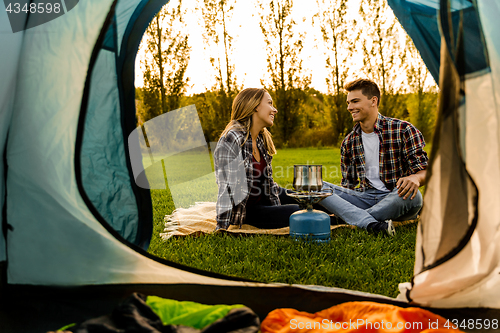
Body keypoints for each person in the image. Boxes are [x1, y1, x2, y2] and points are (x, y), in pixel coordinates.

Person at [319, 78, 428, 235]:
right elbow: (348, 186)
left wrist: (415, 179)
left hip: (397, 196)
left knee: (415, 195)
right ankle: (370, 223)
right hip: (365, 197)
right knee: (314, 185)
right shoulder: (349, 141)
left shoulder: (403, 130)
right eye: (348, 103)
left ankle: (351, 220)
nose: (350, 107)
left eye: (355, 101)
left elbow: (425, 171)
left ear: (373, 101)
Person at [213, 88, 302, 230]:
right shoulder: (232, 138)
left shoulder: (260, 139)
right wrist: (222, 227)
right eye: (270, 103)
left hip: (264, 197)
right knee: (297, 211)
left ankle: (340, 215)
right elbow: (226, 188)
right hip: (248, 209)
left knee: (305, 199)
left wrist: (277, 208)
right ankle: (332, 222)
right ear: (255, 106)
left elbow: (268, 182)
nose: (275, 110)